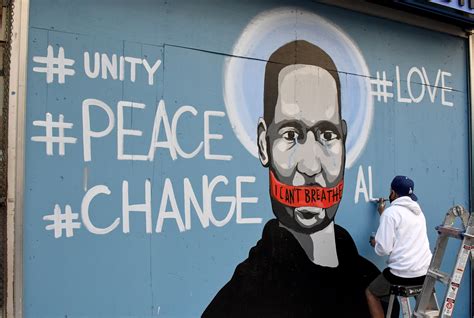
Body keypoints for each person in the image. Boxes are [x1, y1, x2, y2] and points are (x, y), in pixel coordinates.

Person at [203, 40, 382, 317]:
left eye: (327, 135)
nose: (310, 166)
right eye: (290, 135)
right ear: (264, 144)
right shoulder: (242, 300)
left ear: (343, 141)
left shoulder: (368, 279)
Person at [366, 176, 432, 318]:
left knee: (371, 292)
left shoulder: (391, 213)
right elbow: (403, 233)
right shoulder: (419, 213)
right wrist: (383, 214)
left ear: (393, 193)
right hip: (424, 273)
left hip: (402, 275)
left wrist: (375, 243)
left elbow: (384, 249)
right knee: (423, 306)